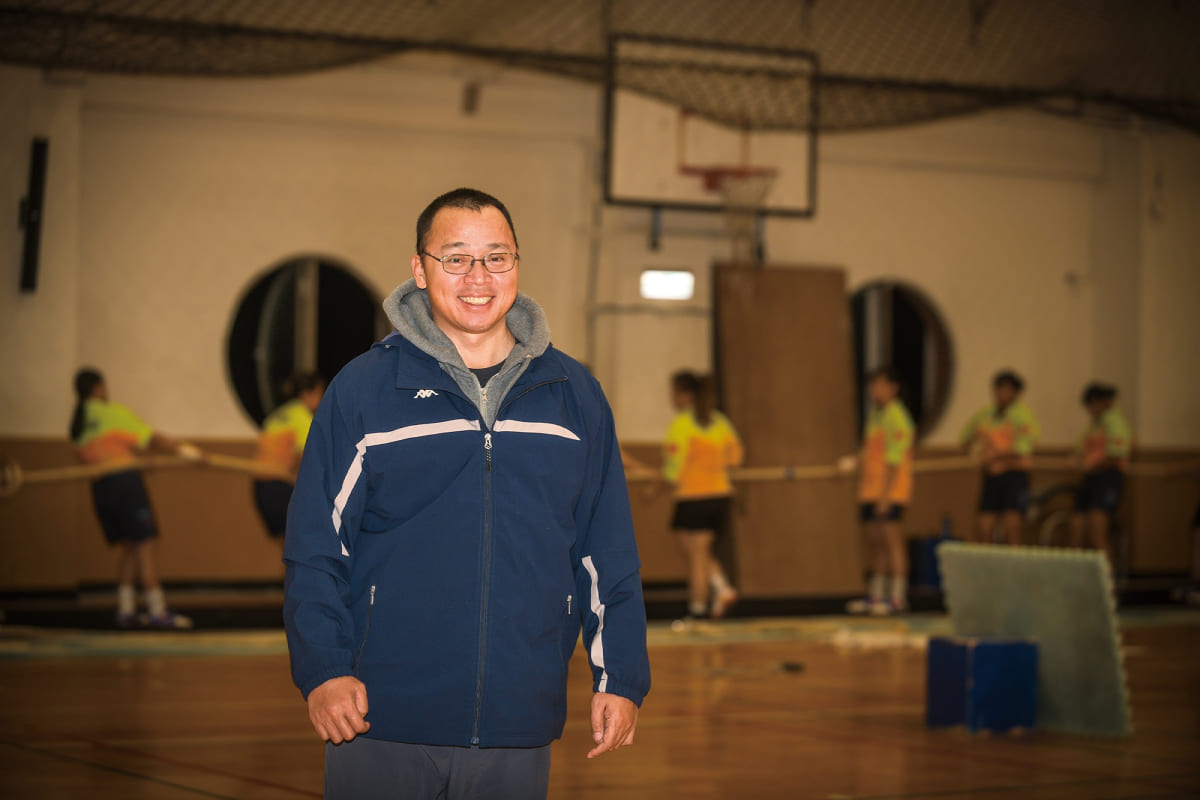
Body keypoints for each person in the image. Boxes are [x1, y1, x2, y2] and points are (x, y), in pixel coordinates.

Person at [282, 188, 650, 800]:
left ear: (516, 265)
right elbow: (317, 547)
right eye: (455, 258)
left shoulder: (574, 395)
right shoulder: (364, 389)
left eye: (496, 258)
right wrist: (324, 669)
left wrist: (620, 678)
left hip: (519, 722)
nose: (478, 278)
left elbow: (606, 551)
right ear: (420, 269)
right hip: (378, 718)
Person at [69, 367, 201, 628]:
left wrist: (136, 463)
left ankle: (126, 610)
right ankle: (158, 611)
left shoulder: (78, 424)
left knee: (130, 548)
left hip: (103, 490)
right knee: (144, 547)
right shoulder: (110, 413)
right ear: (99, 387)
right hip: (126, 487)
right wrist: (188, 452)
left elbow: (106, 457)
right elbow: (151, 438)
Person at [662, 370, 742, 623]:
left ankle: (696, 612)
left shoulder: (682, 425)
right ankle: (722, 587)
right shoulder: (720, 421)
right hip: (719, 495)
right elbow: (736, 456)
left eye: (674, 392)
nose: (672, 398)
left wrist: (661, 480)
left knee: (697, 556)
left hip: (694, 497)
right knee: (693, 548)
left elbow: (673, 469)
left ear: (685, 395)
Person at [845, 366, 915, 615]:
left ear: (893, 388)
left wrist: (886, 495)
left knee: (892, 542)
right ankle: (876, 595)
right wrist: (853, 461)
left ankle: (897, 597)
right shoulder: (876, 415)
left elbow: (895, 460)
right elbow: (868, 450)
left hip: (890, 491)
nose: (875, 390)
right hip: (870, 489)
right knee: (876, 543)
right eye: (872, 385)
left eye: (881, 384)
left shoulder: (898, 417)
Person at [959, 370, 1040, 545]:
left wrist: (997, 455)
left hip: (1015, 477)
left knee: (1011, 529)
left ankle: (1014, 563)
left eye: (1007, 389)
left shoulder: (1023, 416)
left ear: (1016, 392)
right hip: (991, 477)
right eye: (999, 388)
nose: (1002, 393)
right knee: (984, 529)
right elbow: (965, 437)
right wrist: (976, 449)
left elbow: (1024, 448)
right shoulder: (986, 414)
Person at [252, 371, 325, 541]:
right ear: (307, 394)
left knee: (287, 544)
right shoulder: (303, 417)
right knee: (302, 542)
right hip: (282, 486)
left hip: (261, 489)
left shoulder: (277, 414)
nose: (322, 399)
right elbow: (306, 459)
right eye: (320, 393)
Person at [1069, 382, 1132, 571]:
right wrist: (1076, 460)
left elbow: (1117, 455)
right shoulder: (1095, 423)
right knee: (1077, 531)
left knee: (1097, 535)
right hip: (1090, 479)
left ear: (1103, 401)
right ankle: (1077, 577)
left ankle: (1108, 581)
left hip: (1108, 479)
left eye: (1093, 403)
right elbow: (1079, 448)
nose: (1092, 408)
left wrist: (1093, 464)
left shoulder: (1116, 421)